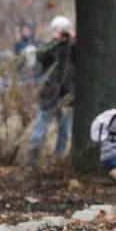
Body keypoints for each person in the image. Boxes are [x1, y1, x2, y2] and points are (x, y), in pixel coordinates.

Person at [27, 15, 76, 164]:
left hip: (68, 95)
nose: (63, 33)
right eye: (60, 30)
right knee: (40, 129)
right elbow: (40, 56)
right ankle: (33, 160)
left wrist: (72, 41)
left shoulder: (74, 48)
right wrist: (56, 42)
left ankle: (59, 159)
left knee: (64, 132)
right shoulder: (48, 46)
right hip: (50, 95)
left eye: (66, 30)